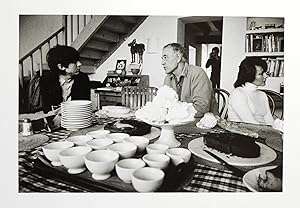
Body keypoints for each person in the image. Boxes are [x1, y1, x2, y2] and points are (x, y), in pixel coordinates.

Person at [161, 43, 218, 118]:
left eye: (166, 57)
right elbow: (164, 106)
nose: (162, 63)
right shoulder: (168, 78)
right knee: (154, 128)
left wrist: (172, 111)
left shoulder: (198, 73)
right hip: (179, 122)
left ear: (178, 57)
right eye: (162, 58)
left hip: (202, 123)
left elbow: (201, 109)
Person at [40, 45, 91, 125]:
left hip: (77, 121)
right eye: (74, 62)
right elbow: (48, 109)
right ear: (61, 66)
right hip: (56, 122)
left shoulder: (83, 79)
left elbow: (83, 106)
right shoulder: (47, 80)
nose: (79, 64)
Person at [227, 57, 275, 125]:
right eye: (260, 74)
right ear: (249, 76)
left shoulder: (262, 95)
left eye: (264, 72)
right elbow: (250, 123)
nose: (265, 76)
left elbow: (270, 121)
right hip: (244, 133)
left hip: (263, 132)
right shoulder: (238, 94)